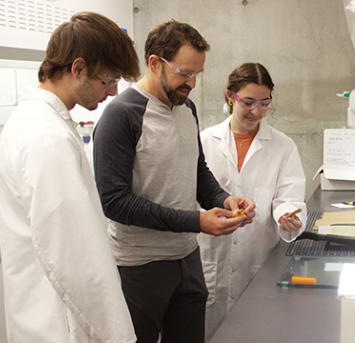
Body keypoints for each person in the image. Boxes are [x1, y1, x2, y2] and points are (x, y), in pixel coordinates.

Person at [93, 20, 255, 343]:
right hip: (139, 268)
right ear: (155, 63)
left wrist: (224, 200)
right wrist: (196, 221)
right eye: (184, 73)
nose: (191, 83)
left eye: (197, 74)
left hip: (187, 261)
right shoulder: (120, 116)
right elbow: (115, 202)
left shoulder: (187, 109)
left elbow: (196, 172)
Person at [0, 12, 140, 343]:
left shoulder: (35, 120)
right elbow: (74, 255)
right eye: (107, 80)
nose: (112, 92)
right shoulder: (47, 136)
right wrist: (119, 335)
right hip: (61, 324)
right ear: (78, 68)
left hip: (42, 315)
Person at [198, 62, 307, 337]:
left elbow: (289, 195)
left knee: (258, 333)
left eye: (264, 103)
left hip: (258, 261)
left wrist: (286, 215)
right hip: (212, 259)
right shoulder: (204, 141)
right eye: (248, 102)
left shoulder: (283, 146)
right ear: (229, 96)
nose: (256, 111)